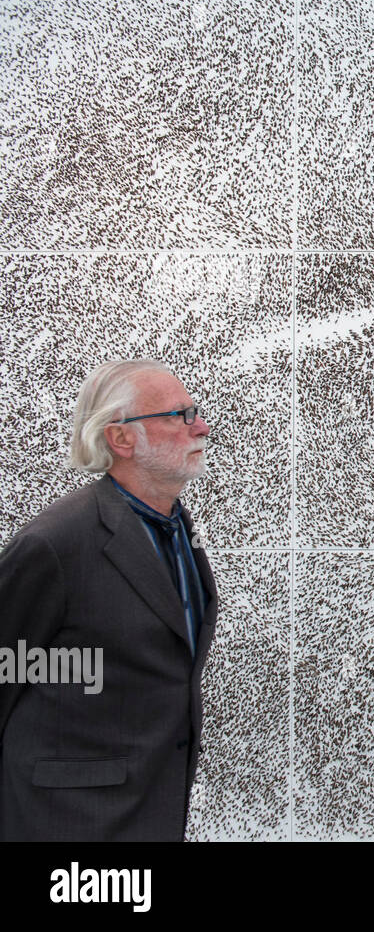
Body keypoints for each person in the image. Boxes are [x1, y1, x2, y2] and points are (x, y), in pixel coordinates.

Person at [0, 359, 219, 840]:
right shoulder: (54, 544)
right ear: (121, 439)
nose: (201, 427)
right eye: (178, 415)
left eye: (195, 412)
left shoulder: (178, 529)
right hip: (69, 822)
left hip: (151, 807)